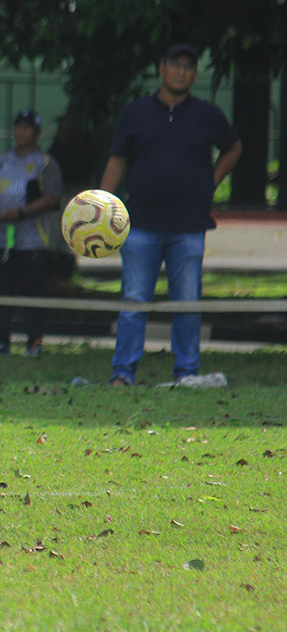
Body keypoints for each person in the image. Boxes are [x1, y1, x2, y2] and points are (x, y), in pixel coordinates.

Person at [100, 43, 242, 386]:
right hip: (141, 224)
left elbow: (233, 147)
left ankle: (187, 372)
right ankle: (123, 372)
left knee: (187, 303)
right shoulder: (135, 112)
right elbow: (117, 159)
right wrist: (101, 205)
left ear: (195, 75)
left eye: (188, 66)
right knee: (134, 300)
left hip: (189, 226)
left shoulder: (208, 114)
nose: (181, 71)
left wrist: (211, 181)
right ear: (162, 69)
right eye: (175, 64)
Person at [0, 109, 63, 358]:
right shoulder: (1, 161)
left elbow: (51, 197)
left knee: (32, 291)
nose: (22, 132)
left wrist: (22, 213)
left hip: (33, 241)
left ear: (37, 132)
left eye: (28, 127)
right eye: (19, 126)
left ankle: (34, 342)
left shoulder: (45, 163)